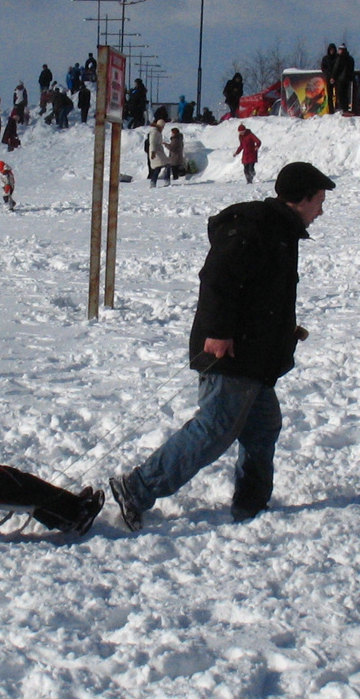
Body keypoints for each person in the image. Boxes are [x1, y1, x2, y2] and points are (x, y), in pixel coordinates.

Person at [109, 162, 336, 532]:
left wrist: (281, 331)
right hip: (231, 352)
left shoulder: (282, 231)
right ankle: (136, 489)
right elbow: (217, 277)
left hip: (256, 355)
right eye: (320, 201)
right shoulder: (258, 225)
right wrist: (216, 330)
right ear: (303, 198)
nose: (322, 210)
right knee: (215, 429)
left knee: (263, 426)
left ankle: (252, 502)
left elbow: (263, 292)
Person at [147, 119, 171, 187]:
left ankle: (154, 182)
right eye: (162, 126)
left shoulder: (157, 131)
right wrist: (153, 152)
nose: (163, 128)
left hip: (158, 151)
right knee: (162, 166)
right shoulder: (154, 132)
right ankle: (165, 181)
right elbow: (152, 142)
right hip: (155, 151)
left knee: (160, 166)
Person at [332, 44, 355, 113]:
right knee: (346, 94)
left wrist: (333, 76)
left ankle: (341, 108)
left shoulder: (340, 58)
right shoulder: (350, 59)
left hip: (340, 79)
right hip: (348, 79)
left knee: (340, 94)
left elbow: (336, 68)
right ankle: (346, 108)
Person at [321, 44, 338, 113]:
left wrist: (334, 76)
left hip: (336, 78)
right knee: (329, 94)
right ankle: (331, 110)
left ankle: (337, 108)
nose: (332, 51)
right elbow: (323, 68)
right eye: (330, 50)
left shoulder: (337, 58)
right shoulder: (325, 58)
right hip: (328, 78)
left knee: (337, 94)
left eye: (333, 50)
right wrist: (329, 75)